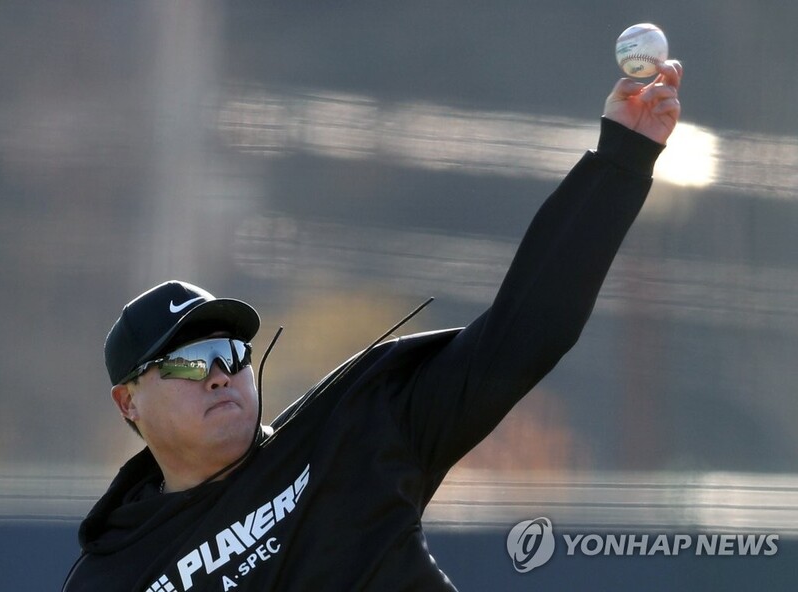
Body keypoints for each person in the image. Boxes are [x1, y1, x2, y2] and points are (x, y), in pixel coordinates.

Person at [63, 62, 682, 591]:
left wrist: (621, 160)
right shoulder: (113, 575)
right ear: (128, 402)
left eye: (231, 353)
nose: (221, 375)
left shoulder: (351, 434)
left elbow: (525, 333)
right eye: (189, 363)